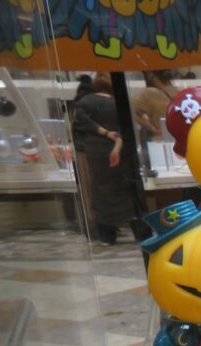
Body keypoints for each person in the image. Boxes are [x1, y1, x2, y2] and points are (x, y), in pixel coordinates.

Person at [71, 74, 135, 245]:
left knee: (99, 189)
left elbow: (81, 121)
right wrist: (117, 146)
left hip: (95, 150)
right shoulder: (117, 103)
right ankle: (137, 229)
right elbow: (125, 128)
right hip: (119, 150)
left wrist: (104, 133)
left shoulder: (85, 102)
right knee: (123, 189)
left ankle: (107, 235)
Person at [132, 70, 179, 175]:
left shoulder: (148, 93)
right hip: (176, 141)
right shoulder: (177, 92)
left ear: (153, 77)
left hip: (156, 141)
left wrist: (152, 127)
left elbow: (136, 111)